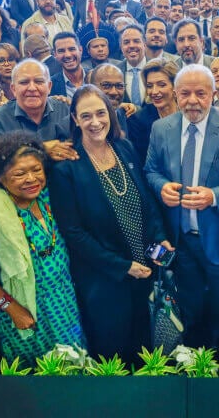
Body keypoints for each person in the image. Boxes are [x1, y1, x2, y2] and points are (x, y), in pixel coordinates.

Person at [50, 86, 171, 363]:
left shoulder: (124, 147)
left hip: (144, 268)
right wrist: (122, 266)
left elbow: (147, 201)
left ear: (111, 114)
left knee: (144, 346)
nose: (95, 122)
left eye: (101, 113)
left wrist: (159, 236)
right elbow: (74, 234)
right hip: (104, 279)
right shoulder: (66, 168)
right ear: (75, 119)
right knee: (112, 350)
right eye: (86, 115)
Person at [145, 64, 219, 348]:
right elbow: (150, 171)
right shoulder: (160, 128)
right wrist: (161, 187)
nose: (192, 100)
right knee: (189, 303)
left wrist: (215, 195)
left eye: (200, 93)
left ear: (213, 94)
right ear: (175, 93)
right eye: (185, 93)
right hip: (180, 241)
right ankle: (193, 355)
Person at [0, 133, 86, 366]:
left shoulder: (49, 197)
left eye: (36, 170)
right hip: (24, 311)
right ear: (1, 178)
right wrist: (11, 309)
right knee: (34, 376)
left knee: (73, 366)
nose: (31, 179)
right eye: (19, 174)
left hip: (64, 303)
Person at [0, 59, 76, 163]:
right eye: (24, 82)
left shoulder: (66, 109)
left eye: (39, 81)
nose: (32, 88)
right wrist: (42, 148)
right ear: (13, 89)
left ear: (49, 87)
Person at [127, 59, 179, 162]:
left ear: (175, 85)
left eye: (161, 85)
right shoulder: (138, 120)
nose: (154, 92)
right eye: (149, 86)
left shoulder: (189, 114)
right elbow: (143, 162)